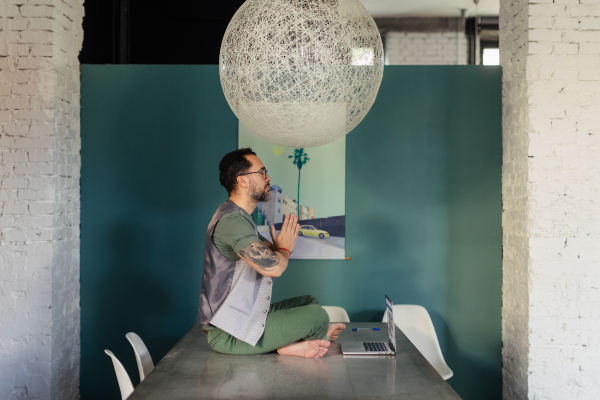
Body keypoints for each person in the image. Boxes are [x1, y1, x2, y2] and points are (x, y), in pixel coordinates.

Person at [197, 148, 346, 358]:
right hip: (227, 332)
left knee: (308, 302)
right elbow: (274, 267)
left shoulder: (239, 218)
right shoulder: (232, 222)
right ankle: (296, 345)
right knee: (317, 316)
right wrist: (284, 249)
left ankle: (304, 340)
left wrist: (278, 247)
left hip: (243, 318)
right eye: (262, 172)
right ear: (243, 181)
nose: (268, 178)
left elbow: (267, 253)